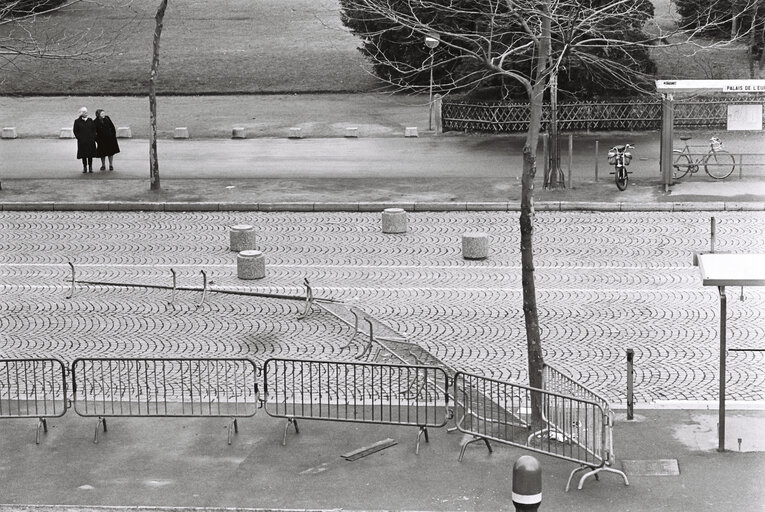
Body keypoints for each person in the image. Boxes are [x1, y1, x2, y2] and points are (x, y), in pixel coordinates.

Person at [73, 107, 97, 173]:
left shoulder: (90, 120)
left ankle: (90, 167)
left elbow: (94, 130)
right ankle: (84, 167)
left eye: (86, 112)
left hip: (90, 140)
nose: (86, 113)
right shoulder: (77, 121)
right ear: (81, 113)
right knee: (83, 155)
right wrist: (79, 138)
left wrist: (93, 137)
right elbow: (75, 131)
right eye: (84, 112)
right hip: (82, 141)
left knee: (90, 155)